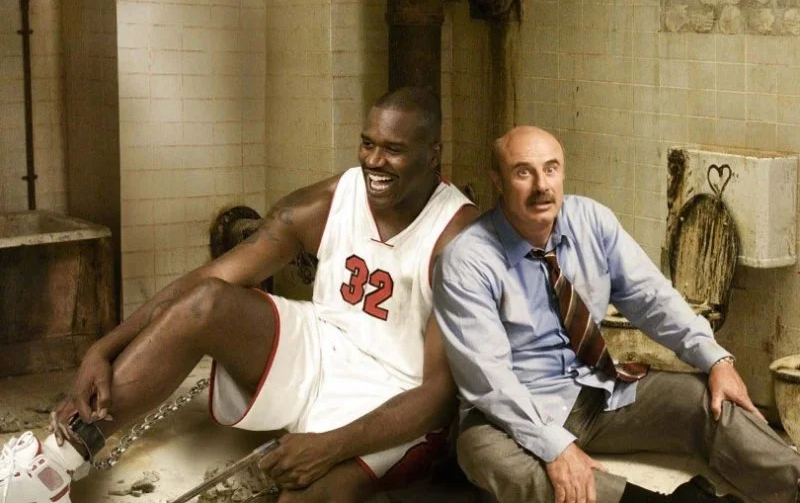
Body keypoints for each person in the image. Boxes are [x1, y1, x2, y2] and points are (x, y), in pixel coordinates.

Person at [0, 87, 478, 503]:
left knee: (309, 494)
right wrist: (103, 347)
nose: (373, 160)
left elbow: (438, 397)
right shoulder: (335, 198)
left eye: (393, 150)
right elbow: (205, 281)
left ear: (432, 154)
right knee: (207, 302)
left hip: (395, 393)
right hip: (321, 346)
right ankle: (51, 469)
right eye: (368, 143)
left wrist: (329, 445)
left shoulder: (457, 238)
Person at [433, 125, 800, 503]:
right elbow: (490, 380)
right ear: (498, 181)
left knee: (702, 397)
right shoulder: (466, 261)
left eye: (551, 169)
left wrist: (716, 359)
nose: (542, 185)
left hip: (595, 389)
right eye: (523, 172)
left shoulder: (591, 221)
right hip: (511, 414)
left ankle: (794, 483)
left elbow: (651, 298)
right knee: (485, 455)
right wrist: (554, 446)